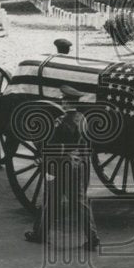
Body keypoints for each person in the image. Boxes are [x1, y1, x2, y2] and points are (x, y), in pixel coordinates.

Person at [25, 85, 100, 250]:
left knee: (50, 201)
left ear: (66, 101)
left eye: (63, 99)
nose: (61, 101)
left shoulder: (60, 122)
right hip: (78, 166)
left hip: (58, 167)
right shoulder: (82, 119)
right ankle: (92, 237)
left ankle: (39, 234)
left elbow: (50, 146)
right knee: (80, 203)